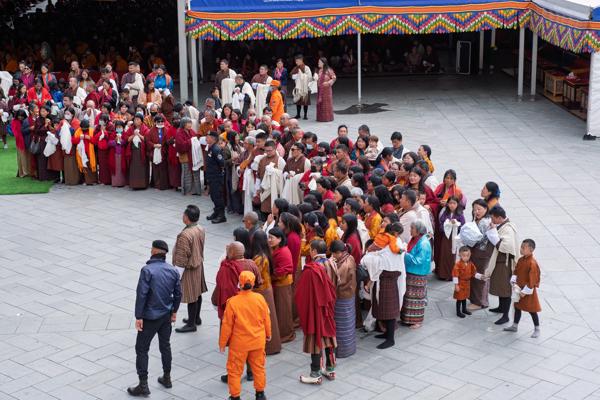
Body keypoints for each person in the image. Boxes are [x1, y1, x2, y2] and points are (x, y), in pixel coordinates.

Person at [127, 240, 181, 397]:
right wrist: (174, 311)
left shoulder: (147, 270)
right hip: (166, 315)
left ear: (155, 251)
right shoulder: (173, 271)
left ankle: (143, 385)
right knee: (165, 346)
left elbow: (141, 294)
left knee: (142, 349)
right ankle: (167, 377)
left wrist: (139, 316)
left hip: (150, 317)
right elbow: (178, 294)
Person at [219, 271, 270, 400]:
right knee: (258, 368)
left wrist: (223, 343)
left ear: (239, 284)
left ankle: (235, 396)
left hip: (239, 344)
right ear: (253, 284)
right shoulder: (260, 299)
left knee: (235, 371)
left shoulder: (233, 302)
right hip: (257, 341)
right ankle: (260, 394)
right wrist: (268, 334)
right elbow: (266, 319)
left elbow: (227, 325)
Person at [296, 239, 337, 383]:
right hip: (329, 307)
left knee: (316, 339)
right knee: (329, 336)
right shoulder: (332, 263)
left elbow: (302, 294)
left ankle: (315, 374)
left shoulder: (311, 269)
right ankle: (330, 370)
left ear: (313, 251)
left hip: (316, 308)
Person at [173, 205, 208, 333]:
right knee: (197, 293)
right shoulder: (200, 228)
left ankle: (191, 324)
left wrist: (177, 275)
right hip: (198, 264)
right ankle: (196, 318)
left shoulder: (185, 235)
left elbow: (182, 257)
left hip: (189, 268)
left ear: (187, 218)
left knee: (191, 296)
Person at [484, 205, 519, 325]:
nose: (492, 220)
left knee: (504, 289)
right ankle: (500, 307)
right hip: (499, 262)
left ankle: (506, 315)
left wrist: (493, 233)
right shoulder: (501, 225)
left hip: (504, 263)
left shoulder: (508, 228)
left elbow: (506, 246)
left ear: (499, 218)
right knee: (499, 286)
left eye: (493, 218)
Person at [251, 230, 282, 355]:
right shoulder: (266, 253)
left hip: (261, 290)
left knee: (264, 319)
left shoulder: (259, 258)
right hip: (266, 288)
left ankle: (268, 347)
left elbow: (255, 275)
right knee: (270, 318)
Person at [324, 240, 356, 358]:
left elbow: (337, 281)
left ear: (339, 252)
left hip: (342, 296)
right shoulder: (350, 257)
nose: (332, 256)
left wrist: (329, 265)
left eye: (333, 254)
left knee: (341, 325)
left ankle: (342, 351)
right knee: (348, 323)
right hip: (349, 296)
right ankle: (349, 348)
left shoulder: (344, 264)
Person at [503, 239, 541, 338]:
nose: (521, 249)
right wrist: (513, 281)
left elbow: (533, 280)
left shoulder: (532, 263)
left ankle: (537, 329)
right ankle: (515, 326)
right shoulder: (521, 260)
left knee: (532, 310)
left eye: (524, 248)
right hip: (518, 289)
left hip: (527, 292)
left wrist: (525, 292)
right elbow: (516, 271)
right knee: (517, 307)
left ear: (531, 250)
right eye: (521, 247)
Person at [400, 221, 432, 329]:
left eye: (412, 228)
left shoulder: (423, 243)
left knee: (417, 298)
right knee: (409, 297)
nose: (410, 230)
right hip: (411, 271)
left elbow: (418, 260)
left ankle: (417, 321)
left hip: (418, 273)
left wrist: (405, 254)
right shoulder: (414, 239)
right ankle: (407, 319)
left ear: (418, 231)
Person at [268, 227, 296, 343]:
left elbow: (284, 271)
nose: (269, 240)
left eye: (271, 238)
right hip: (278, 284)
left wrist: (269, 276)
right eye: (268, 237)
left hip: (282, 285)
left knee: (283, 310)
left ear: (279, 239)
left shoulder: (284, 252)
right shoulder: (276, 249)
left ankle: (286, 334)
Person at [435, 196, 465, 280]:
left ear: (457, 204)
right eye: (450, 203)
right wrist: (447, 224)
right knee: (443, 254)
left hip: (454, 237)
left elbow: (462, 226)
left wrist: (455, 224)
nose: (452, 205)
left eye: (454, 203)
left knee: (451, 256)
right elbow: (440, 223)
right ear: (447, 204)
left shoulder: (460, 214)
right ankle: (442, 274)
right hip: (446, 237)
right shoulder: (445, 213)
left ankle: (449, 275)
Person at [205, 131, 227, 223]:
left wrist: (217, 172)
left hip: (216, 177)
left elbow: (222, 163)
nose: (206, 138)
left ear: (213, 139)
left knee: (217, 196)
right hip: (211, 176)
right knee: (213, 196)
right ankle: (216, 212)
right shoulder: (211, 147)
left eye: (208, 137)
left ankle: (221, 216)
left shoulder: (216, 149)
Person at [452, 247, 480, 318]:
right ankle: (458, 312)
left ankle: (464, 309)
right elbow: (455, 275)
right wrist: (456, 285)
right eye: (464, 256)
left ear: (470, 255)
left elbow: (474, 273)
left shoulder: (470, 264)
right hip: (460, 283)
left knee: (464, 297)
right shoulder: (458, 264)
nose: (466, 257)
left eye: (468, 255)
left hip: (467, 283)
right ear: (460, 255)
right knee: (459, 298)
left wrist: (481, 276)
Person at [124, 113, 149, 189]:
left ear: (141, 121)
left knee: (142, 168)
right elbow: (126, 139)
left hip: (142, 151)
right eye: (135, 119)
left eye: (138, 119)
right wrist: (133, 135)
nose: (136, 121)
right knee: (134, 168)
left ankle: (142, 184)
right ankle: (134, 184)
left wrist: (139, 135)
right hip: (133, 151)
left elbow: (147, 139)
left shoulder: (145, 128)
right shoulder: (131, 129)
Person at [146, 115, 170, 190]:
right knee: (156, 168)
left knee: (163, 168)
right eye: (158, 121)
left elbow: (168, 140)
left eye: (162, 121)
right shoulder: (151, 130)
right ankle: (156, 184)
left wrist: (163, 146)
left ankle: (164, 184)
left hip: (163, 151)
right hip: (155, 151)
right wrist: (154, 145)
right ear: (155, 122)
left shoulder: (166, 129)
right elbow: (148, 140)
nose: (160, 123)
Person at [290, 54, 312, 120]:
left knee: (305, 102)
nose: (296, 62)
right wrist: (295, 76)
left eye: (298, 61)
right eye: (296, 61)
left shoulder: (306, 68)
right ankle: (298, 114)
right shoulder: (295, 68)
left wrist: (301, 76)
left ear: (301, 60)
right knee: (298, 101)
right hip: (298, 87)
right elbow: (291, 75)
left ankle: (305, 115)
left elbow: (309, 77)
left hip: (305, 87)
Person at [316, 57, 336, 122]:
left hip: (327, 90)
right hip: (320, 89)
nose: (318, 63)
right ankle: (320, 118)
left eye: (319, 62)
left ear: (323, 63)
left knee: (327, 104)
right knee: (320, 103)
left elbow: (334, 78)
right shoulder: (319, 70)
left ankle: (327, 118)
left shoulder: (329, 70)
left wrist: (328, 83)